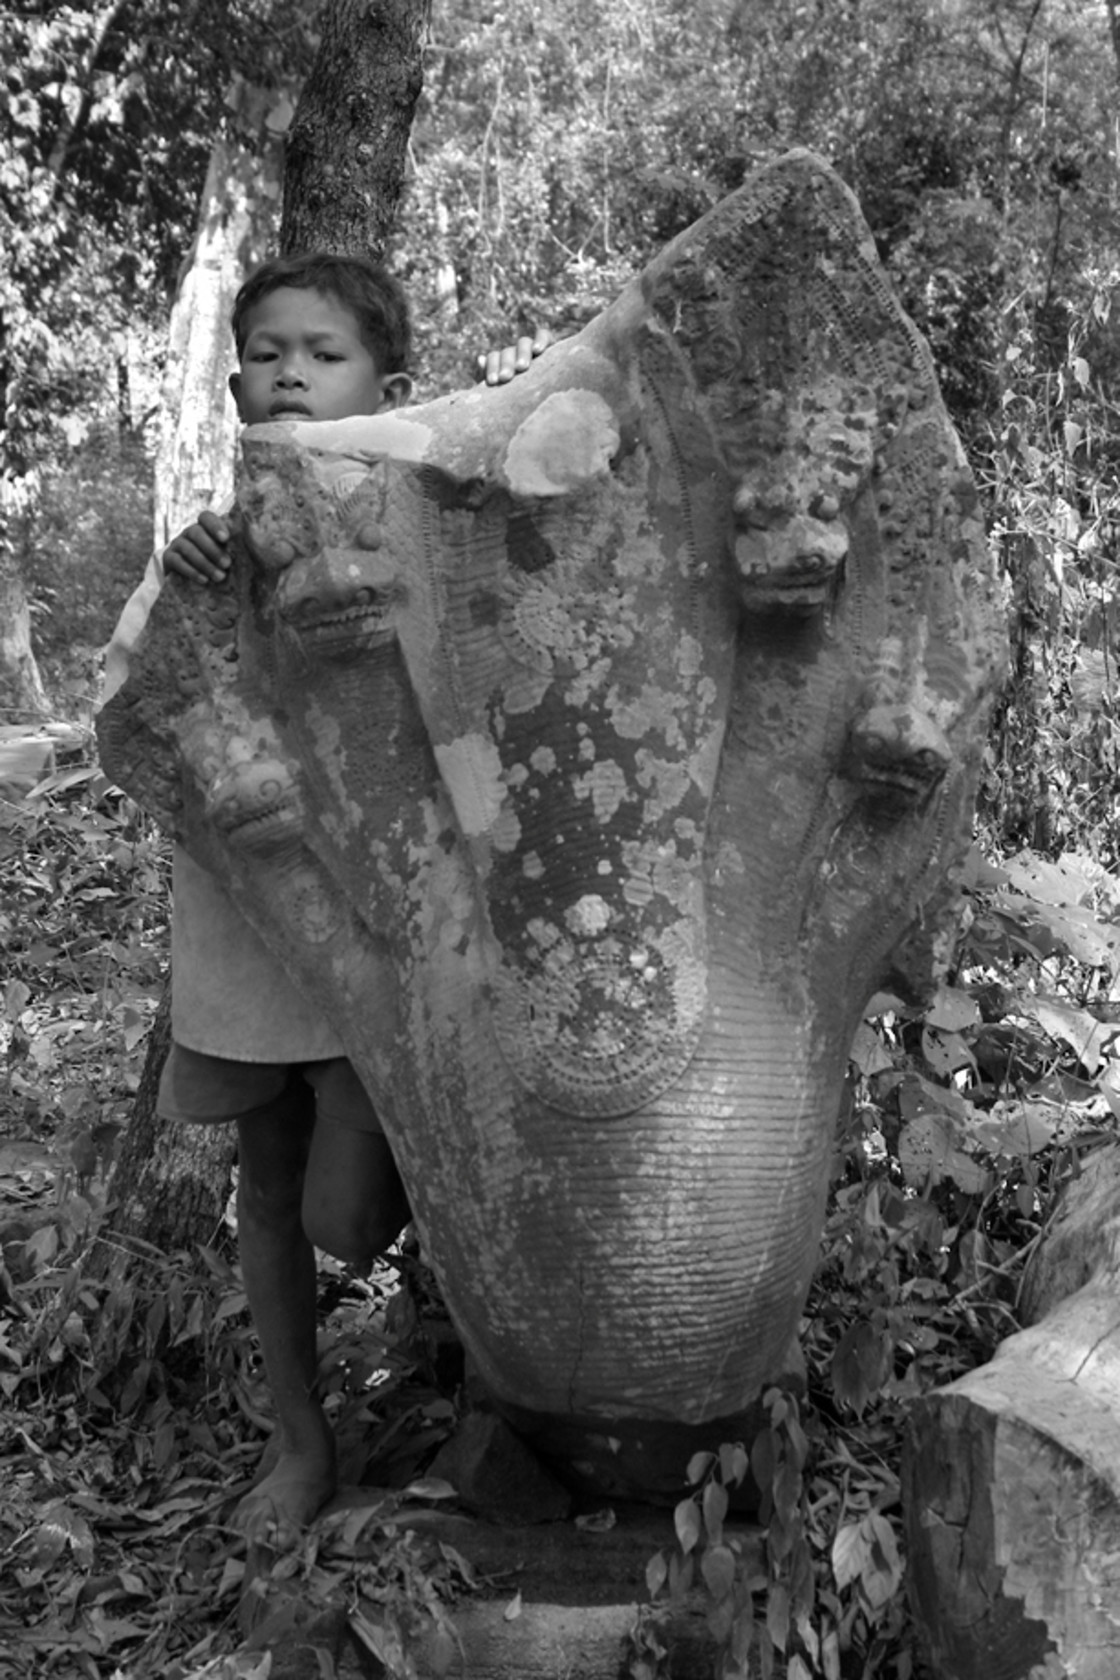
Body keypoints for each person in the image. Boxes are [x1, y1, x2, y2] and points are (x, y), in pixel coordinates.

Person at [104, 252, 548, 1541]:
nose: (289, 369)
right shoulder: (206, 544)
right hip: (245, 930)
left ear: (389, 385)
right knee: (272, 1184)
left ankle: (482, 1391)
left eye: (324, 351)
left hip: (392, 928)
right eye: (266, 351)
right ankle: (301, 1444)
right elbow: (139, 705)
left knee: (359, 1203)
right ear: (237, 380)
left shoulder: (439, 528)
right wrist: (195, 585)